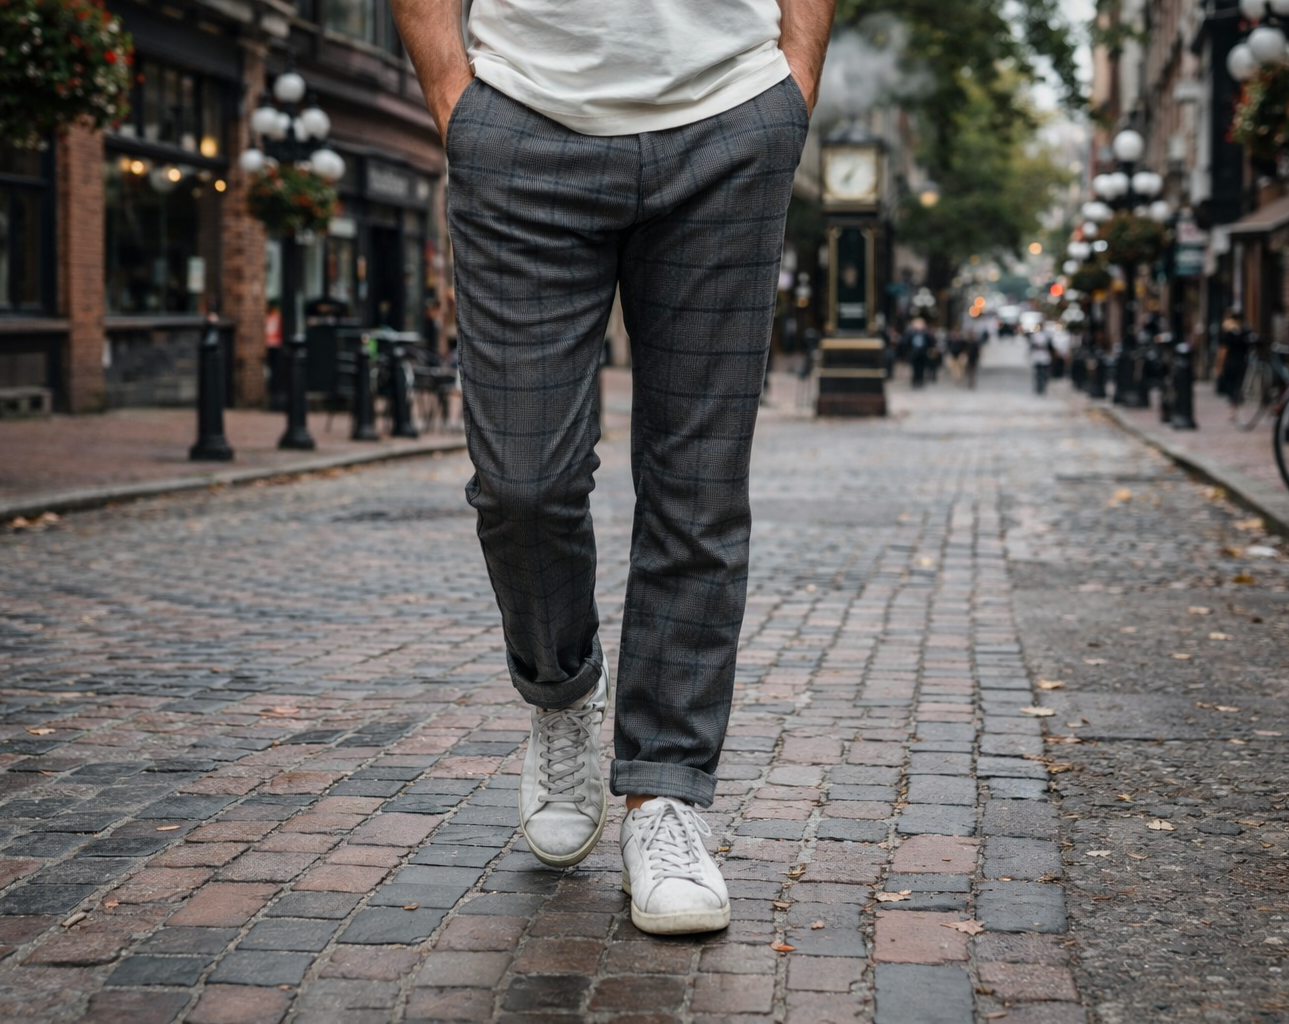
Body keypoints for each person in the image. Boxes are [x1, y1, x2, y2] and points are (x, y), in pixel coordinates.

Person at [392, 0, 833, 936]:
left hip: (731, 116)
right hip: (519, 118)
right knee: (522, 484)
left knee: (698, 488)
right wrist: (451, 92)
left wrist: (791, 86)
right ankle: (561, 691)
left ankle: (666, 796)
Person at [1217, 311, 1252, 422]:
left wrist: (1219, 365)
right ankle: (1234, 406)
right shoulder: (1245, 332)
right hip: (1242, 363)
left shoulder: (1227, 334)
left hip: (1230, 363)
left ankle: (1232, 409)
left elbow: (1223, 351)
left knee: (1231, 386)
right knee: (1238, 385)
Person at [905, 317, 934, 389]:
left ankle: (920, 381)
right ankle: (915, 380)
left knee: (921, 368)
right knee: (915, 368)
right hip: (914, 353)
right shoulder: (911, 333)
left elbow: (931, 342)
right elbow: (906, 343)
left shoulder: (925, 334)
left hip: (923, 354)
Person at [1028, 326, 1053, 395]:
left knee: (1043, 374)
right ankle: (1039, 387)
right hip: (1038, 356)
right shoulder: (1035, 336)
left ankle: (1042, 387)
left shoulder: (1046, 336)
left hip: (1044, 357)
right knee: (1039, 374)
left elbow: (1050, 347)